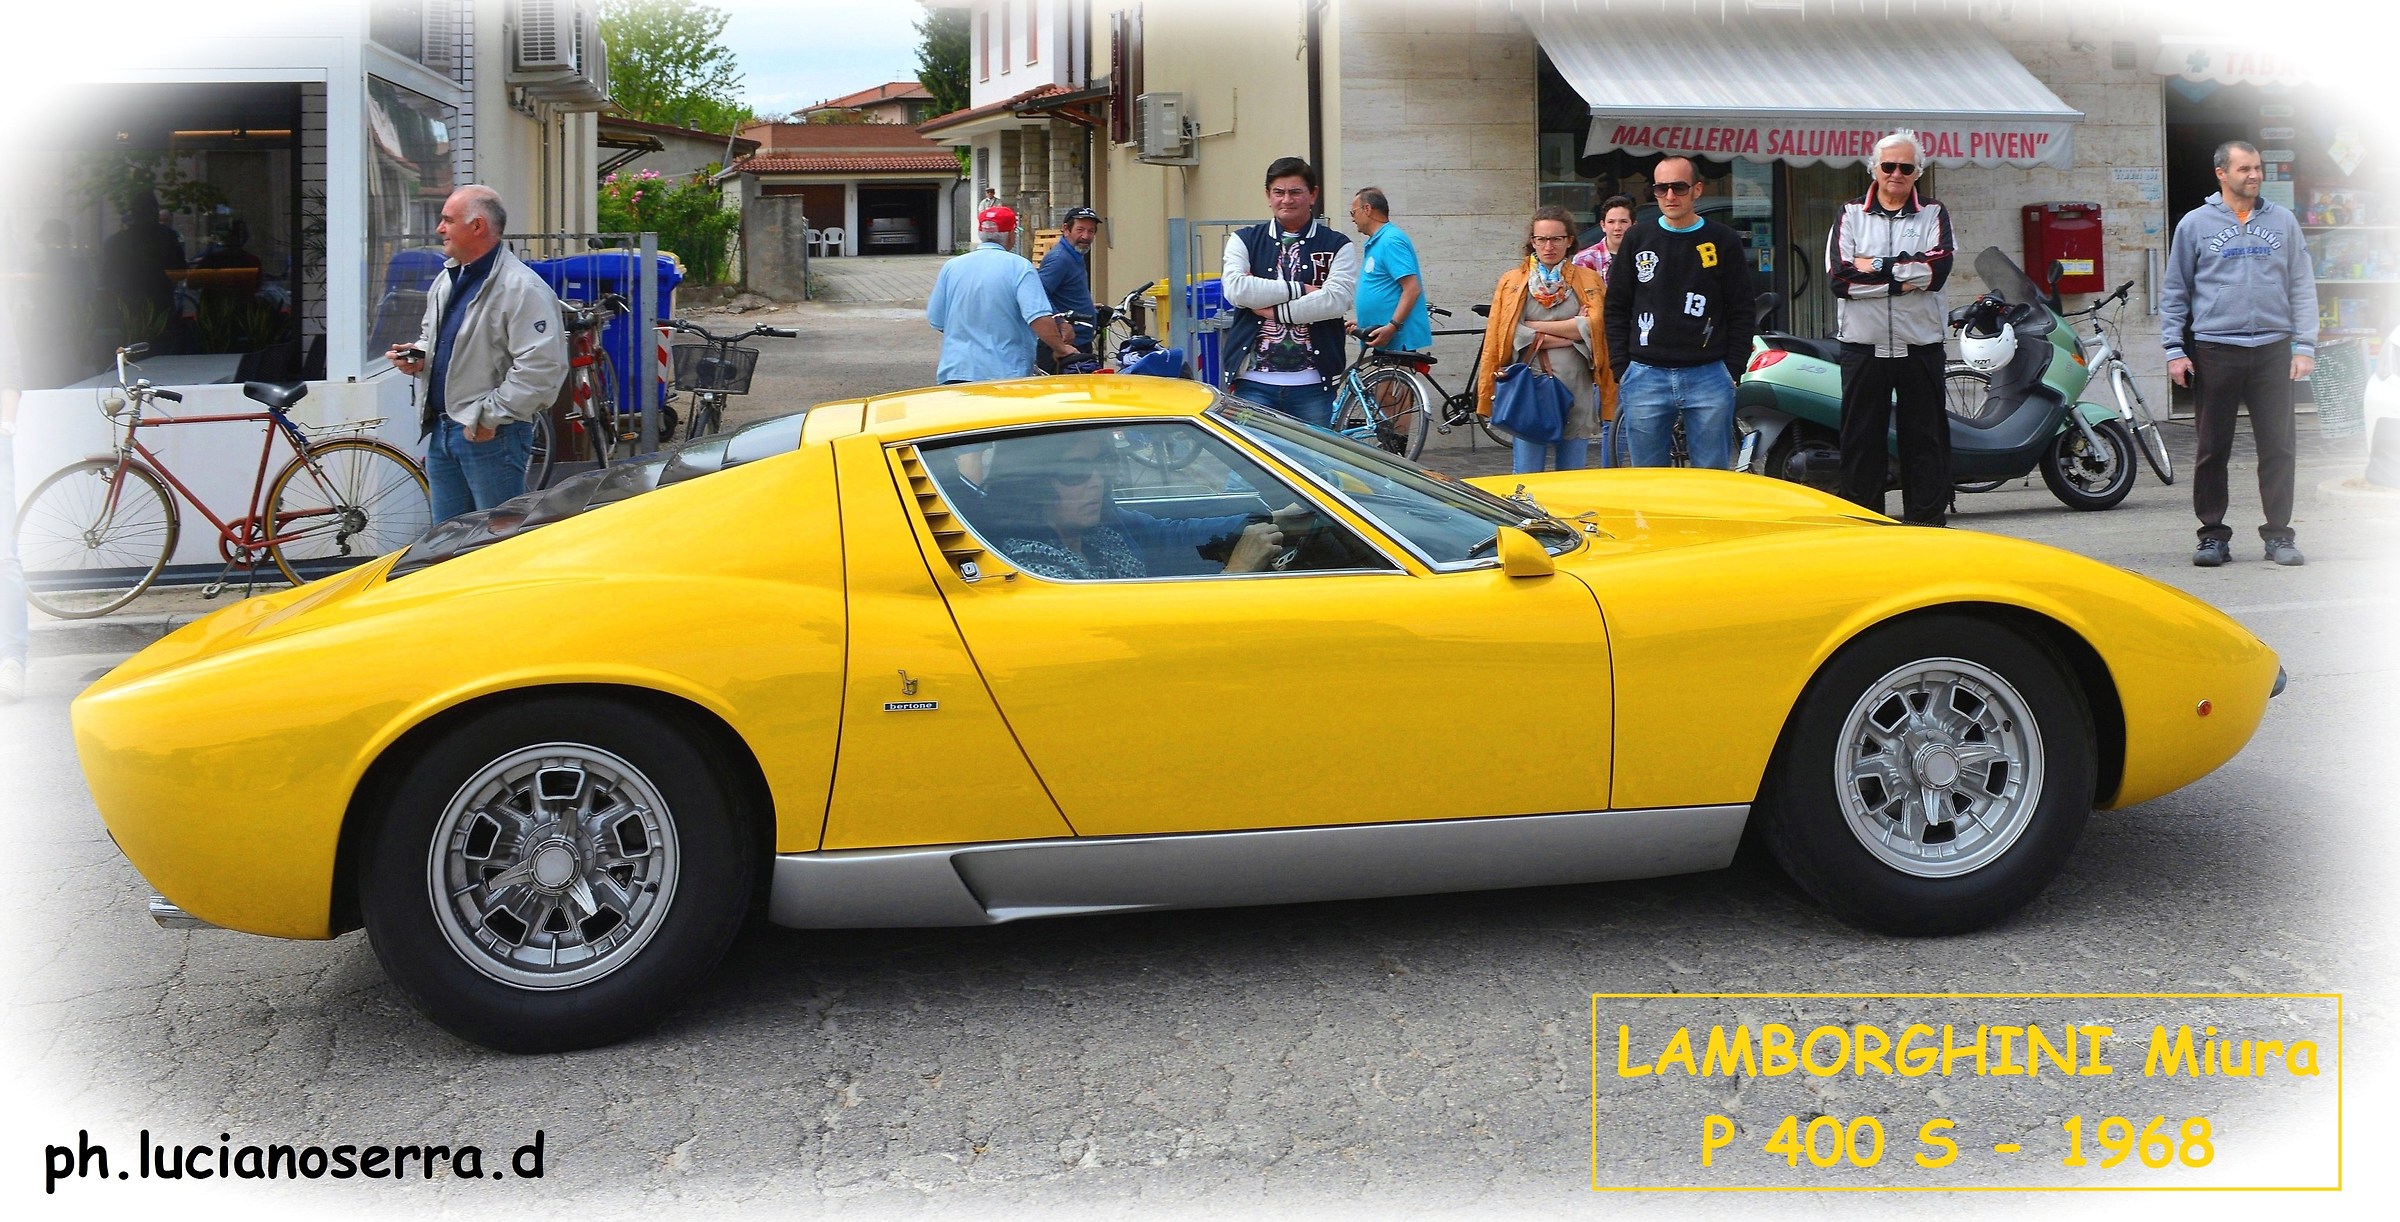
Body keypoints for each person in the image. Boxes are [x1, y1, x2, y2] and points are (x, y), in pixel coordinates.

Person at [2163, 140, 2318, 567]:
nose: (2254, 175)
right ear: (2222, 173)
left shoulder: (2283, 221)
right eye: (2245, 168)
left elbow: (2302, 285)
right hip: (2215, 348)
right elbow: (2175, 290)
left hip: (2273, 348)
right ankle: (2212, 535)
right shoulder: (2194, 224)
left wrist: (2304, 345)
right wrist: (2175, 350)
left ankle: (2279, 535)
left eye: (2258, 168)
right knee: (2213, 448)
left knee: (2279, 447)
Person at [386, 185, 567, 522]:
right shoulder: (448, 278)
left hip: (490, 437)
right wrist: (420, 353)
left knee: (498, 546)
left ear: (477, 226)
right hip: (443, 433)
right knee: (447, 545)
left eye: (447, 220)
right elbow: (438, 338)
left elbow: (541, 371)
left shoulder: (522, 288)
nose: (439, 229)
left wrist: (488, 418)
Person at [1827, 131, 1956, 527]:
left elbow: (1936, 272)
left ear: (1918, 172)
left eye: (1906, 167)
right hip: (1863, 347)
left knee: (1927, 442)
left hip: (1920, 346)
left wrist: (1878, 266)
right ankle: (1866, 529)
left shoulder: (1934, 214)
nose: (1896, 174)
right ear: (1874, 169)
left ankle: (1928, 528)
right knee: (1861, 443)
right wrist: (1904, 276)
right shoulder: (1850, 214)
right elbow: (1841, 280)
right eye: (1888, 166)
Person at [966, 430, 1289, 581]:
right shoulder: (1036, 566)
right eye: (1075, 472)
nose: (1096, 480)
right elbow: (1141, 638)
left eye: (1101, 464)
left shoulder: (1099, 530)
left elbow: (1168, 534)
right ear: (1031, 484)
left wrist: (1275, 519)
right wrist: (1236, 572)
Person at [1604, 157, 1755, 470]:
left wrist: (1733, 369)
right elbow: (1616, 306)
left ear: (1697, 189)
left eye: (1679, 187)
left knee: (1712, 480)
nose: (1670, 196)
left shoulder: (1723, 239)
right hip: (1645, 374)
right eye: (1661, 188)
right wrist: (1622, 367)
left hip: (1709, 375)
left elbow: (1741, 308)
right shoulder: (1637, 238)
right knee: (1648, 482)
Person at [1221, 157, 1360, 429]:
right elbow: (1237, 290)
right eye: (1279, 192)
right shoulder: (1245, 240)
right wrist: (1301, 289)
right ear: (1268, 196)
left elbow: (1336, 300)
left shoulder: (1337, 245)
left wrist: (1270, 309)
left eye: (1295, 192)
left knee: (1317, 466)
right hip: (1253, 384)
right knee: (1248, 466)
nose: (1287, 199)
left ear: (1313, 195)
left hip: (1313, 387)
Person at [1475, 207, 1614, 474]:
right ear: (1532, 241)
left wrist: (1535, 328)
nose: (1548, 246)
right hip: (1531, 386)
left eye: (1556, 239)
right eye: (1541, 239)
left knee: (1572, 476)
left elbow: (1597, 329)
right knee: (1527, 477)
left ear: (1569, 240)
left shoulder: (1588, 280)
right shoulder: (1513, 282)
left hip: (1577, 388)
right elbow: (1506, 332)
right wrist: (1572, 333)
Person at [926, 204, 1076, 384]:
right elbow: (1038, 317)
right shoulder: (1019, 267)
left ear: (981, 234)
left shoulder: (952, 266)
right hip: (1004, 375)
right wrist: (1061, 348)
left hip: (956, 372)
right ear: (1012, 234)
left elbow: (936, 319)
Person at [1347, 187, 1431, 355]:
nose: (1352, 219)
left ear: (1367, 209)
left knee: (1390, 382)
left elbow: (1412, 288)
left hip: (1396, 340)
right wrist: (1363, 321)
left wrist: (1393, 326)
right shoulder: (1379, 241)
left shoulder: (1390, 241)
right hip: (1383, 336)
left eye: (1353, 212)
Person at [98, 189, 185, 337]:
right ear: (155, 212)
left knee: (132, 344)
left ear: (133, 213)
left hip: (129, 303)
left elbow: (106, 277)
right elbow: (181, 269)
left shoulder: (117, 241)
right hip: (159, 301)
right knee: (161, 343)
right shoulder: (167, 237)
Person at [1037, 206, 1102, 370]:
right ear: (1066, 229)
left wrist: (1086, 306)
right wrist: (1060, 321)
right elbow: (1038, 294)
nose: (1086, 236)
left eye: (1091, 231)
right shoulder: (1060, 259)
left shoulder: (1075, 254)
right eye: (1080, 230)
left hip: (1078, 342)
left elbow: (1063, 291)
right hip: (1063, 347)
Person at [1571, 195, 1637, 284]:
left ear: (1634, 225)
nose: (1617, 227)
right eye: (1611, 222)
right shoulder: (1585, 259)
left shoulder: (1645, 256)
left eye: (1623, 221)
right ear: (1603, 225)